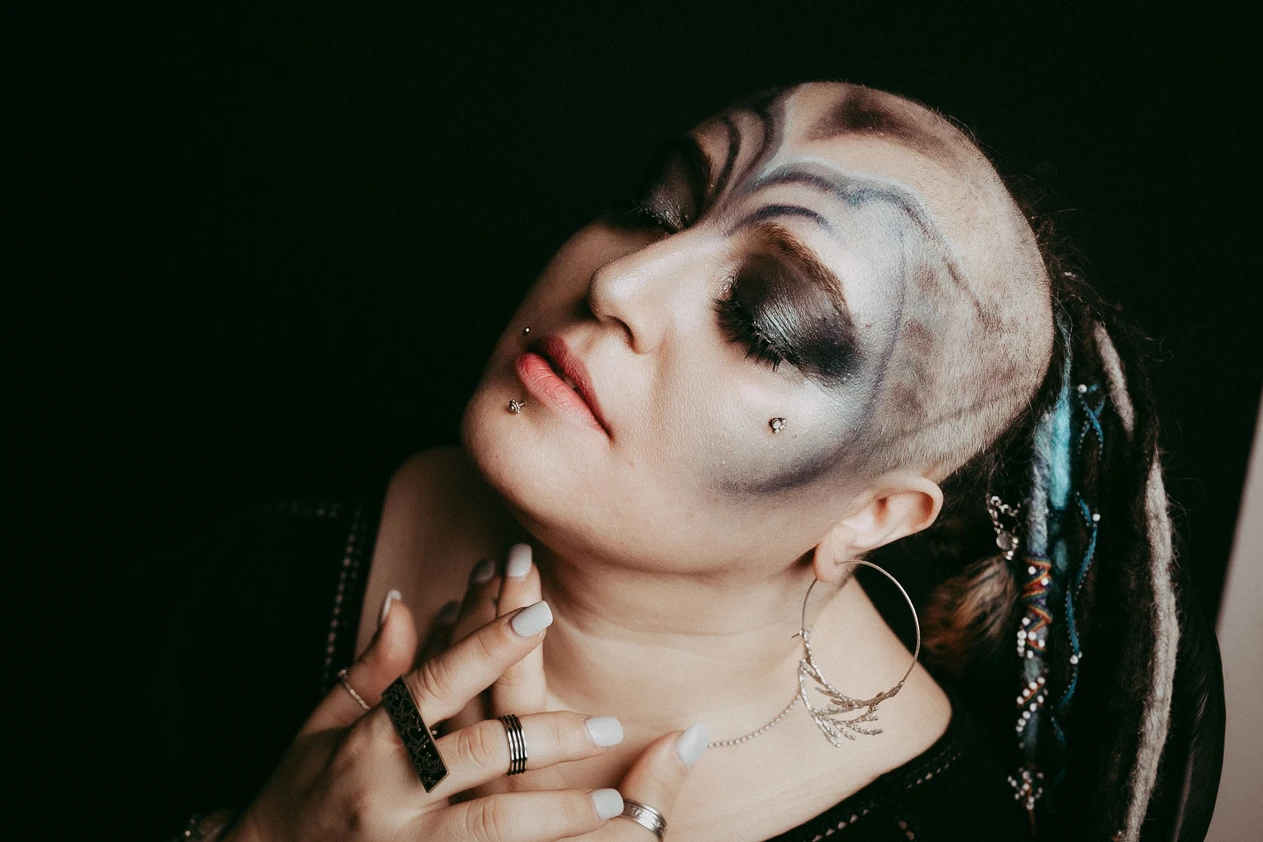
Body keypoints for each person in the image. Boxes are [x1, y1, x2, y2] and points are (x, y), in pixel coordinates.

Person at [151, 81, 1212, 841]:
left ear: (874, 514)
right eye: (653, 208)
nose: (622, 282)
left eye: (762, 320)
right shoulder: (281, 524)